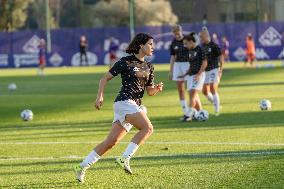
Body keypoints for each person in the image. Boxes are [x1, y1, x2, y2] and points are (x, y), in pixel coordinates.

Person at [73, 33, 164, 183]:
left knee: (110, 142)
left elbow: (150, 92)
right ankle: (124, 158)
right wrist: (99, 96)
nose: (153, 47)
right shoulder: (125, 62)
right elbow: (104, 78)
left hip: (134, 104)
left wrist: (157, 89)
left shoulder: (149, 67)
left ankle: (81, 167)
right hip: (124, 102)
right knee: (148, 128)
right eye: (150, 44)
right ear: (141, 45)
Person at [178, 32, 207, 120]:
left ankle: (189, 114)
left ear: (191, 42)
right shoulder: (190, 51)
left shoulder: (200, 49)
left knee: (193, 93)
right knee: (192, 94)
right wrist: (185, 74)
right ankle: (199, 112)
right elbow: (192, 64)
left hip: (198, 75)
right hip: (191, 75)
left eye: (186, 43)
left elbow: (204, 63)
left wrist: (199, 74)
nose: (185, 45)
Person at [169, 24, 190, 122]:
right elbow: (173, 57)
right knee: (181, 90)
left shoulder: (187, 40)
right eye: (175, 34)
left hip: (188, 65)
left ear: (181, 31)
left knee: (191, 90)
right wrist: (171, 71)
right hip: (178, 66)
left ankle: (195, 111)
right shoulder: (173, 43)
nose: (177, 35)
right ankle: (186, 113)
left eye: (178, 33)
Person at [200, 27, 223, 116]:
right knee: (205, 91)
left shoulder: (214, 45)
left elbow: (221, 57)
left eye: (201, 37)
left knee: (213, 88)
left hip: (214, 69)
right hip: (205, 71)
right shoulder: (202, 47)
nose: (201, 39)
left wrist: (221, 69)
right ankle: (216, 104)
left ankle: (217, 110)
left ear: (206, 36)